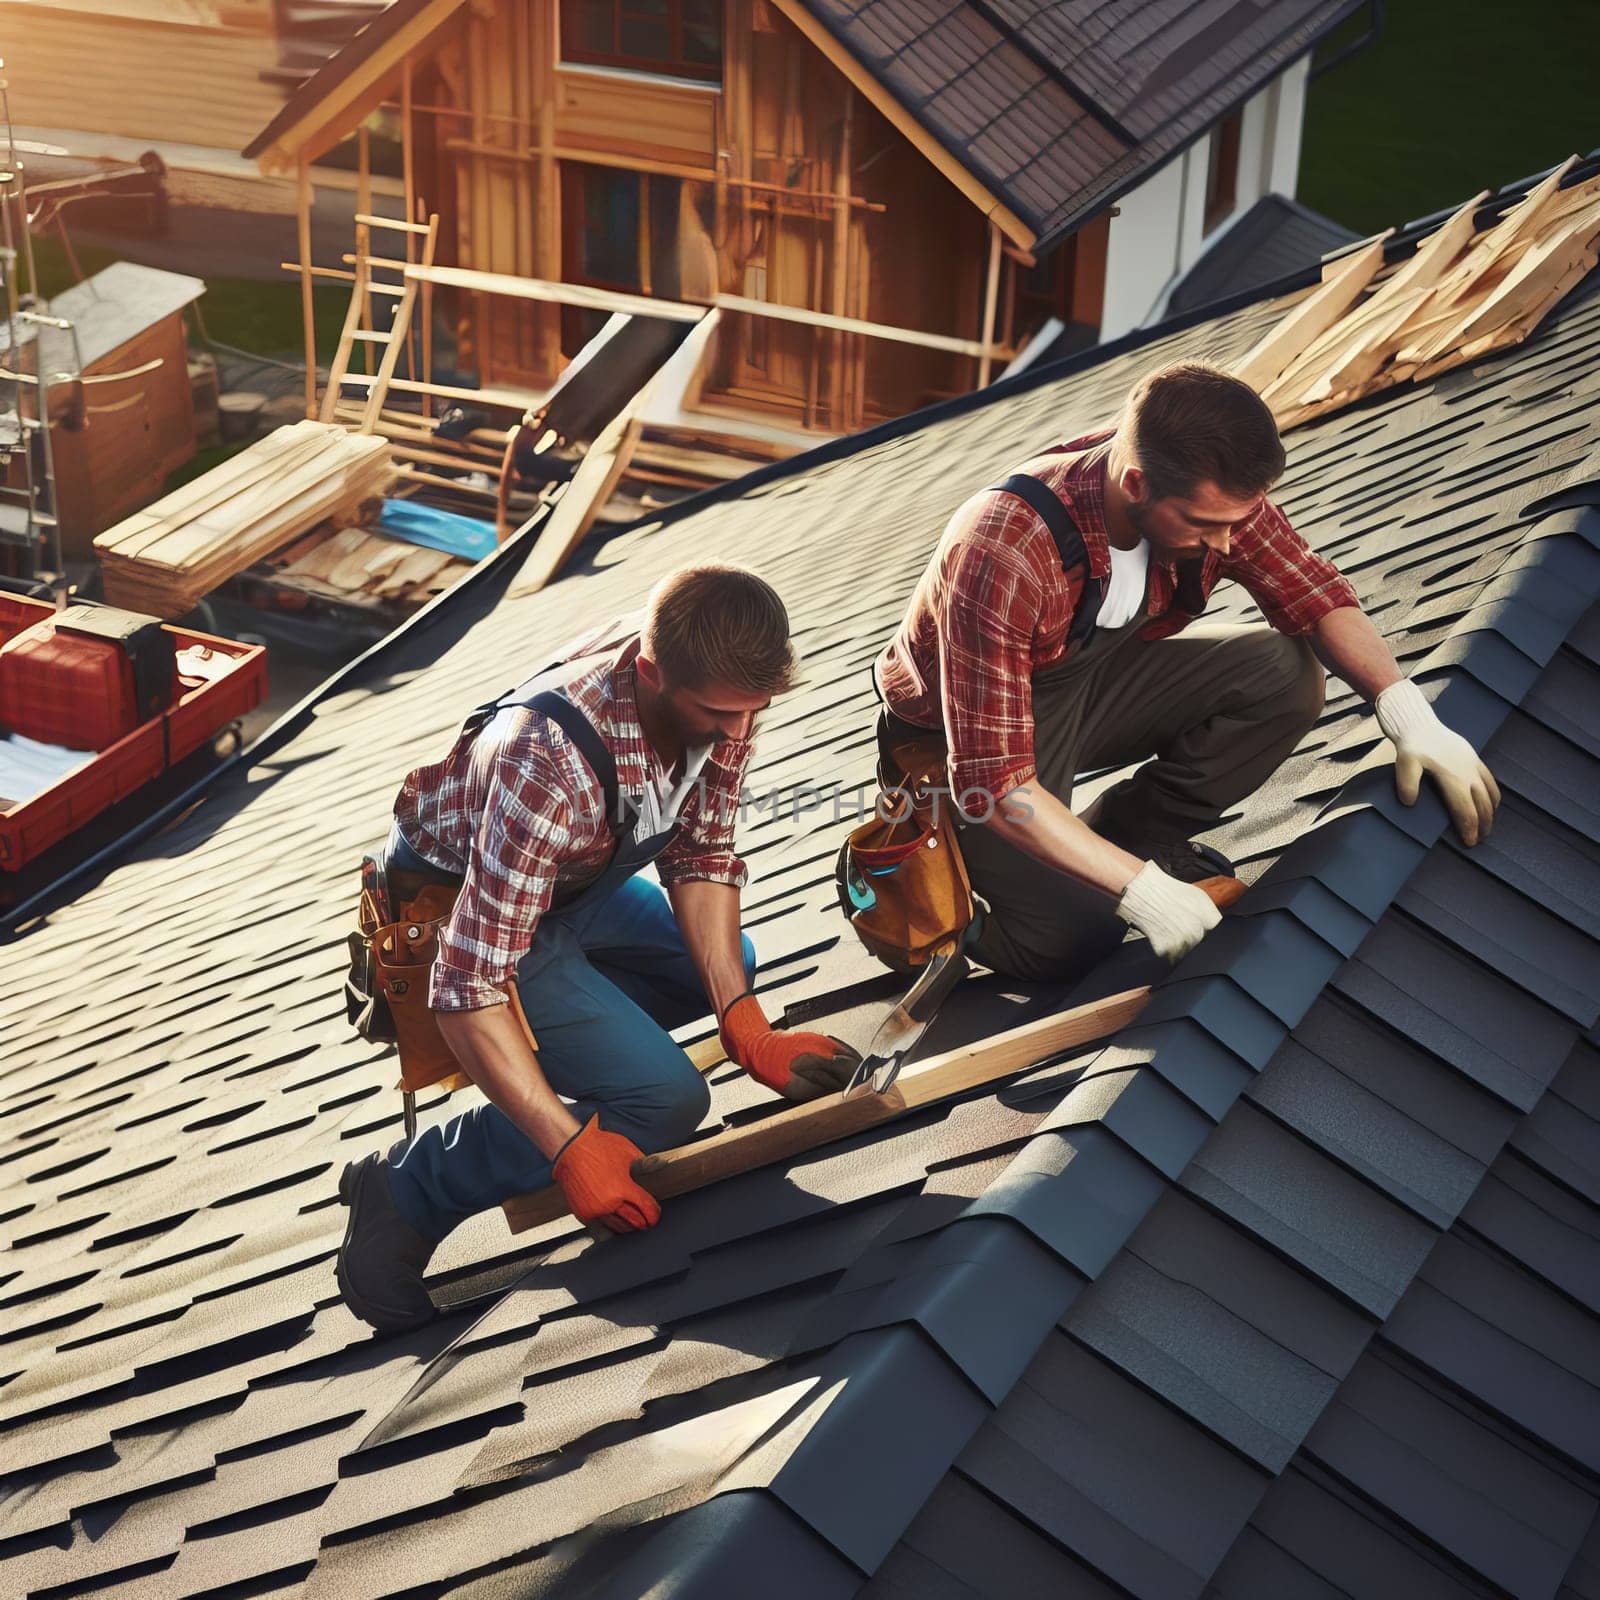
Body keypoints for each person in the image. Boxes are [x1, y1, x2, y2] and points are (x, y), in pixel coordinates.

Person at [338, 564, 859, 1333]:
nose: (740, 735)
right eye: (720, 714)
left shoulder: (714, 679)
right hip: (467, 912)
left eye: (756, 712)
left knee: (729, 970)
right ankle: (413, 1185)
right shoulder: (546, 761)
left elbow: (703, 854)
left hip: (568, 886)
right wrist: (567, 1146)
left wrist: (745, 1024)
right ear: (652, 675)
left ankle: (564, 1048)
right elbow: (466, 984)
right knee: (666, 1100)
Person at [874, 360, 1500, 982]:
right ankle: (940, 909)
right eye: (1206, 527)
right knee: (1075, 933)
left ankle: (1127, 840)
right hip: (965, 739)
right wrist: (1143, 895)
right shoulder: (1004, 550)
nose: (1228, 543)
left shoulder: (1205, 485)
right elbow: (1000, 786)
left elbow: (1316, 596)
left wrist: (1408, 713)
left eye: (1234, 522)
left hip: (1083, 681)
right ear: (1138, 485)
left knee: (1285, 673)